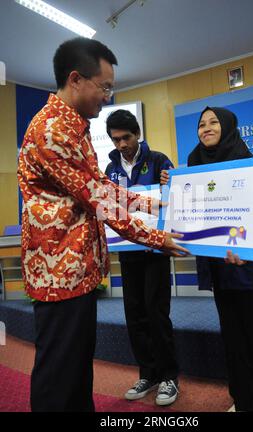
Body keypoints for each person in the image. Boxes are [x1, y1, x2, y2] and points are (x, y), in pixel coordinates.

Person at [17, 37, 188, 412]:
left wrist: (145, 200)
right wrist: (159, 237)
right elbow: (101, 201)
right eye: (105, 86)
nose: (108, 97)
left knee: (77, 369)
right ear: (76, 79)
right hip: (59, 273)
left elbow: (98, 187)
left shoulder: (72, 127)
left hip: (75, 271)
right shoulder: (53, 131)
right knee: (59, 376)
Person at [161, 106, 253, 412]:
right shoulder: (194, 164)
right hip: (221, 271)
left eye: (213, 122)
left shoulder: (248, 165)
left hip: (252, 271)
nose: (205, 128)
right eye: (201, 124)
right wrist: (174, 185)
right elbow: (190, 215)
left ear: (228, 126)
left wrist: (249, 252)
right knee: (234, 339)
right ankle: (244, 399)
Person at [105, 110, 179, 406]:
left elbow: (173, 197)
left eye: (126, 137)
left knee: (156, 312)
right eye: (115, 139)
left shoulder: (159, 159)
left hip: (154, 251)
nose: (121, 144)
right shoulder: (109, 169)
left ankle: (169, 377)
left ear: (137, 134)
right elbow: (106, 205)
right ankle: (147, 373)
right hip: (126, 251)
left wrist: (169, 182)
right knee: (134, 314)